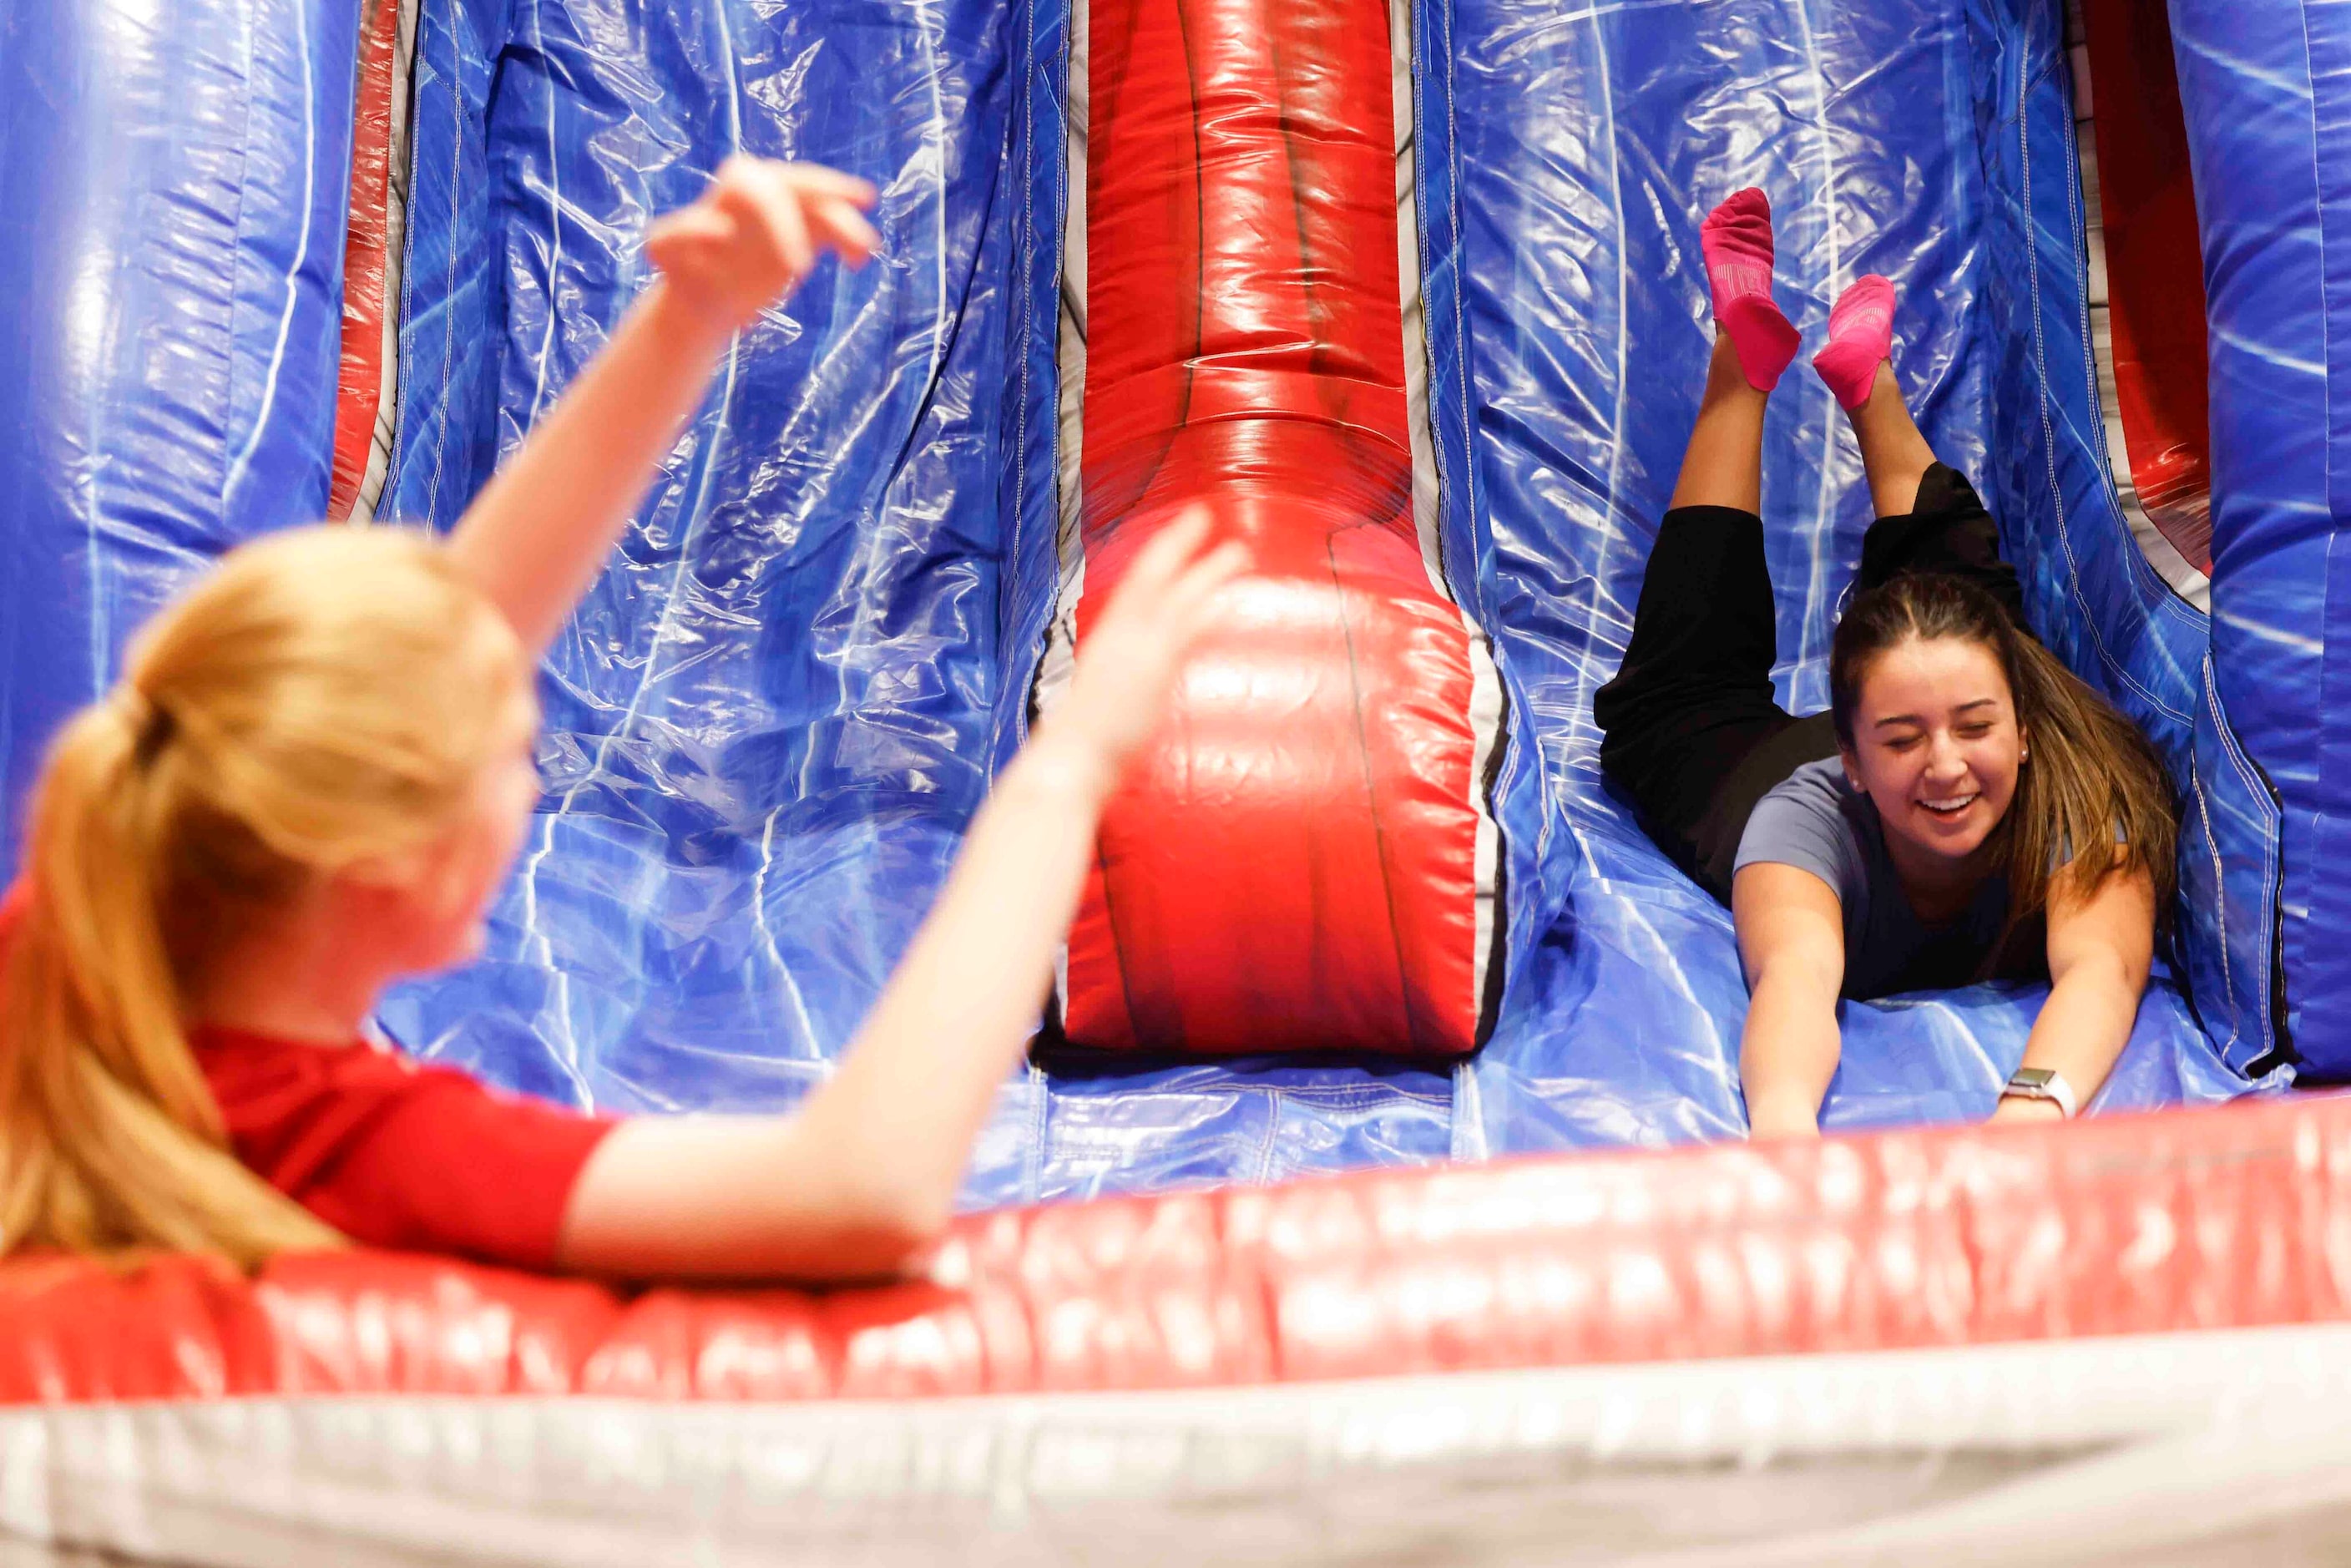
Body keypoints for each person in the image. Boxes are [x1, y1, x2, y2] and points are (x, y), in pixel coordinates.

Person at [0, 156, 1248, 1279]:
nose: (532, 783)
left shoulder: (70, 953)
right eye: (515, 756)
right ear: (390, 856)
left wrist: (694, 318)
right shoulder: (338, 1145)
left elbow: (438, 656)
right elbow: (857, 1190)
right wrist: (1068, 771)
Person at [1594, 189, 2177, 1141]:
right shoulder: (1798, 817)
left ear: (2024, 734)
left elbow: (2101, 972)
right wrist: (1785, 1139)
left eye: (1978, 731)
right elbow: (1793, 982)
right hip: (1763, 771)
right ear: (1854, 765)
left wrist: (2024, 1123)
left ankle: (1871, 392)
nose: (1946, 765)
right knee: (1671, 703)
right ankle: (1737, 374)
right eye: (1903, 743)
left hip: (1943, 701)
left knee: (1955, 633)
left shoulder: (2077, 792)